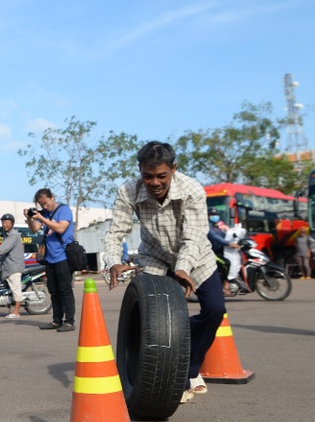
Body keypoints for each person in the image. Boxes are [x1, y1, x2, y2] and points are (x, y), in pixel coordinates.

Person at [103, 141, 226, 403]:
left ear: (173, 169)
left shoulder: (192, 189)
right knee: (159, 320)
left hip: (197, 258)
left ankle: (191, 368)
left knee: (215, 310)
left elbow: (193, 237)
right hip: (156, 256)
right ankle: (176, 378)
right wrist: (114, 260)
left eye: (161, 176)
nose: (155, 183)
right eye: (148, 176)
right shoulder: (127, 191)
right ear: (140, 171)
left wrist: (183, 267)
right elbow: (116, 231)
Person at [26, 188, 76, 332]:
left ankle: (69, 321)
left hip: (63, 256)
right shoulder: (45, 213)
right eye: (41, 205)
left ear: (52, 197)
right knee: (53, 290)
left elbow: (61, 228)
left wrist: (42, 218)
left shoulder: (63, 210)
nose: (44, 207)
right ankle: (57, 320)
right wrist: (30, 217)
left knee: (65, 289)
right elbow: (34, 229)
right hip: (49, 257)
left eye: (46, 203)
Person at [0, 213, 26, 319]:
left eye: (7, 222)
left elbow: (3, 249)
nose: (5, 224)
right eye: (3, 222)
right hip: (8, 266)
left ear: (12, 223)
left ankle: (16, 312)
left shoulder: (14, 235)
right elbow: (4, 253)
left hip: (14, 266)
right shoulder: (7, 235)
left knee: (16, 289)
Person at [207, 208, 236, 295]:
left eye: (216, 215)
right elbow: (215, 237)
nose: (215, 217)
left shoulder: (217, 227)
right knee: (226, 263)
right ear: (208, 216)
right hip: (211, 253)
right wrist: (228, 243)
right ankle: (225, 283)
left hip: (220, 252)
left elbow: (225, 236)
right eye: (212, 215)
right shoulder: (208, 227)